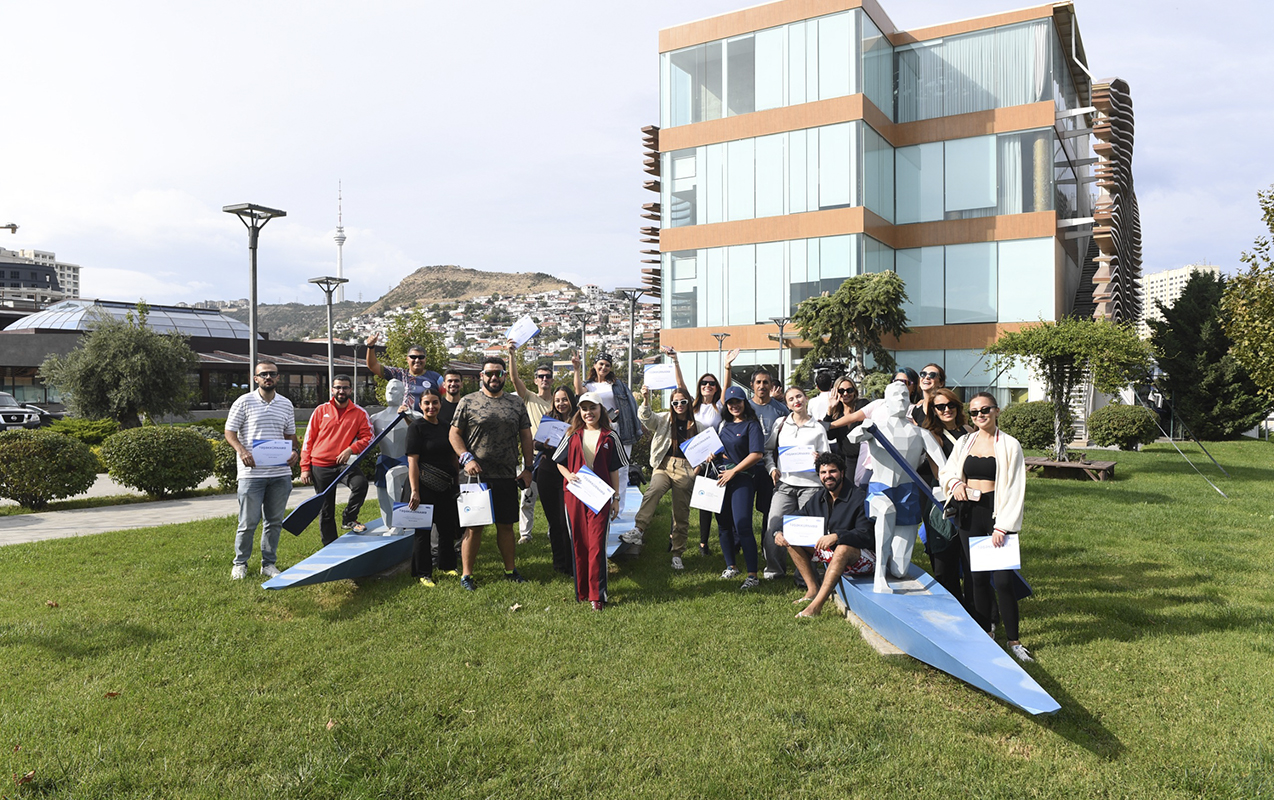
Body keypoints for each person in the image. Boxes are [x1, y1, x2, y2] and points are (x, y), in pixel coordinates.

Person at [939, 392, 1032, 663]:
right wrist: (955, 485)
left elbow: (1015, 488)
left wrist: (1003, 526)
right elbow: (949, 471)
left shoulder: (1010, 445)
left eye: (986, 410)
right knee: (976, 579)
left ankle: (1014, 641)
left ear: (997, 411)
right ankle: (986, 633)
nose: (980, 415)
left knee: (1003, 581)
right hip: (970, 513)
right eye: (975, 411)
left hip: (997, 512)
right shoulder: (965, 441)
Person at [846, 380, 947, 594]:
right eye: (895, 396)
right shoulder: (876, 428)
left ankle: (879, 559)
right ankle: (879, 576)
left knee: (900, 570)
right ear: (886, 401)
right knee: (886, 511)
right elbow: (852, 437)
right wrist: (864, 429)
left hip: (907, 494)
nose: (901, 400)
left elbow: (945, 465)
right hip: (880, 490)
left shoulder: (920, 434)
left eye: (905, 396)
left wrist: (946, 487)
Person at [449, 355, 535, 590]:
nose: (494, 377)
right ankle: (467, 575)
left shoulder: (516, 403)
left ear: (505, 376)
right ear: (481, 376)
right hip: (475, 476)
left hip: (507, 474)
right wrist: (466, 458)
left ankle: (510, 570)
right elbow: (454, 434)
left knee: (506, 526)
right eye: (489, 373)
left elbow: (526, 436)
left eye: (498, 373)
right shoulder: (468, 401)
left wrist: (528, 468)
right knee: (474, 527)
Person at [776, 452, 877, 618]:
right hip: (833, 555)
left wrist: (837, 536)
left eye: (832, 471)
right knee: (791, 537)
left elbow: (866, 535)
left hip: (863, 558)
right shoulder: (819, 498)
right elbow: (798, 515)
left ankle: (816, 607)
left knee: (843, 548)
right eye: (823, 473)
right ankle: (812, 590)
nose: (828, 476)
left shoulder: (858, 497)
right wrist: (780, 530)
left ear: (842, 473)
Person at [224, 360, 298, 580]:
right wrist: (242, 451)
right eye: (263, 374)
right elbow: (230, 432)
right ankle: (240, 563)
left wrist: (295, 451)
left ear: (278, 378)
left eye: (272, 374)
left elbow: (289, 435)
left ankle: (268, 564)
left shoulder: (286, 404)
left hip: (279, 474)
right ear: (255, 378)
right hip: (251, 474)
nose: (268, 377)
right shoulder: (243, 402)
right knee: (248, 523)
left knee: (274, 522)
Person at [553, 392, 628, 610]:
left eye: (592, 408)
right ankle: (583, 591)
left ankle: (597, 595)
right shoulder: (572, 433)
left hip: (600, 497)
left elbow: (614, 469)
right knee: (579, 542)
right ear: (580, 411)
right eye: (584, 409)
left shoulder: (610, 436)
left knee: (596, 544)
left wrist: (616, 498)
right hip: (575, 495)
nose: (588, 413)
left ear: (600, 409)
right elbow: (559, 462)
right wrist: (568, 476)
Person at [761, 385, 832, 581]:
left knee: (805, 532)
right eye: (791, 399)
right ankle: (774, 571)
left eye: (799, 396)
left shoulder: (817, 428)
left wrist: (819, 459)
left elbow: (828, 458)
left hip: (811, 486)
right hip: (784, 484)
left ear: (806, 398)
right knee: (773, 525)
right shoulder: (781, 424)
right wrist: (772, 468)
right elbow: (767, 450)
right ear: (787, 403)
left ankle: (804, 574)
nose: (796, 401)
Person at [625, 384, 699, 569]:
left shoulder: (697, 425)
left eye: (683, 402)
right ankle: (638, 529)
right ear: (671, 404)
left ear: (689, 403)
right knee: (654, 489)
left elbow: (706, 449)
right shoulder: (664, 418)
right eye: (675, 402)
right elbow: (646, 417)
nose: (679, 405)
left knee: (680, 513)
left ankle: (677, 553)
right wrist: (646, 400)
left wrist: (697, 469)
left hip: (685, 468)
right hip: (663, 465)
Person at [299, 375, 374, 545]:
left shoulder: (359, 413)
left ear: (351, 390)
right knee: (326, 509)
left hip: (344, 464)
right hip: (320, 465)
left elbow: (369, 437)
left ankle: (349, 518)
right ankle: (330, 545)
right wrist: (305, 467)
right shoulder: (320, 410)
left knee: (360, 484)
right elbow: (308, 440)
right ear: (332, 389)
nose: (341, 391)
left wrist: (351, 449)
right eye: (338, 387)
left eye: (345, 387)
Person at [920, 388, 973, 600]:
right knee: (944, 560)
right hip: (943, 501)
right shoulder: (932, 436)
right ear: (933, 410)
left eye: (950, 405)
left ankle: (979, 611)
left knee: (971, 561)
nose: (946, 410)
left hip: (971, 499)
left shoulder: (969, 430)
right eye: (940, 407)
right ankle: (952, 605)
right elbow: (938, 472)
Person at [406, 387, 460, 586]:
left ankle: (446, 566)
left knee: (447, 528)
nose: (431, 407)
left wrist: (456, 484)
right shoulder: (416, 428)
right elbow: (412, 461)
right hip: (423, 486)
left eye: (435, 402)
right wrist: (415, 490)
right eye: (427, 403)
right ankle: (423, 572)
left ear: (440, 404)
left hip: (446, 485)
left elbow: (453, 456)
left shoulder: (447, 426)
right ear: (420, 406)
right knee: (423, 532)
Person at [673, 348, 724, 559]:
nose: (708, 386)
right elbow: (680, 388)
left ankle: (719, 541)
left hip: (714, 459)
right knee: (686, 501)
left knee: (713, 501)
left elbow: (727, 386)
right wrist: (675, 361)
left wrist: (728, 366)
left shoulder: (719, 406)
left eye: (712, 383)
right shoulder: (692, 407)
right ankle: (683, 539)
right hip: (692, 459)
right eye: (704, 383)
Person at [714, 386, 766, 590]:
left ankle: (752, 574)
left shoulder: (752, 426)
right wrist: (713, 455)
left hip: (741, 479)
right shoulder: (724, 426)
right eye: (730, 402)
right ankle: (731, 566)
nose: (734, 405)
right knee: (723, 524)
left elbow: (756, 454)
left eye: (738, 401)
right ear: (726, 405)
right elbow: (721, 450)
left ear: (745, 403)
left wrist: (734, 471)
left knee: (743, 524)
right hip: (720, 479)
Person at [572, 351, 641, 496]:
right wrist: (577, 369)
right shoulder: (589, 385)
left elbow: (630, 405)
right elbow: (579, 392)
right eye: (601, 364)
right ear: (595, 365)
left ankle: (618, 508)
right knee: (598, 465)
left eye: (607, 365)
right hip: (597, 428)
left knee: (621, 469)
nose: (604, 367)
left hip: (619, 428)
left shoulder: (617, 385)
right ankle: (600, 501)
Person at [508, 343, 555, 545]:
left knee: (553, 498)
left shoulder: (559, 401)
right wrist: (511, 355)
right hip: (532, 456)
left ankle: (554, 530)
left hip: (555, 456)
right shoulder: (529, 397)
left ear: (552, 380)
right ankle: (525, 535)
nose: (544, 379)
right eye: (541, 376)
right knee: (527, 496)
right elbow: (514, 379)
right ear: (536, 380)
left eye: (548, 376)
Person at [536, 386, 577, 574]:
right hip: (548, 474)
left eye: (565, 399)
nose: (561, 403)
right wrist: (542, 445)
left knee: (566, 521)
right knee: (555, 522)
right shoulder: (549, 418)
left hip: (570, 475)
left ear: (571, 400)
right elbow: (536, 443)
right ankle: (560, 564)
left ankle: (572, 562)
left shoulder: (579, 420)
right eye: (558, 400)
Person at [369, 380, 417, 535]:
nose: (391, 392)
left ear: (403, 393)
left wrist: (408, 414)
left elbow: (425, 425)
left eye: (395, 389)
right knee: (382, 488)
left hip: (405, 461)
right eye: (388, 389)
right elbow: (363, 438)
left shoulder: (411, 415)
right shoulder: (375, 418)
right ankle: (389, 524)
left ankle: (399, 524)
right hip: (384, 460)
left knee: (392, 476)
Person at [365, 332, 443, 411]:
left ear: (425, 359)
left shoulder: (437, 377)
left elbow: (447, 399)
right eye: (413, 357)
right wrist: (370, 347)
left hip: (427, 421)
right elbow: (373, 366)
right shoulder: (398, 374)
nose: (417, 360)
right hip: (403, 421)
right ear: (407, 359)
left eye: (421, 357)